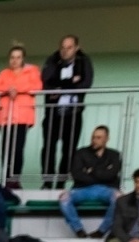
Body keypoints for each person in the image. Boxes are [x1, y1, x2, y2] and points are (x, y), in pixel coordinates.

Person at [40, 35, 94, 188]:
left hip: (73, 113)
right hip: (52, 113)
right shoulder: (52, 60)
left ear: (76, 48)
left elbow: (85, 84)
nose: (65, 51)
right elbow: (46, 83)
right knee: (49, 148)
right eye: (63, 47)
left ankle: (61, 183)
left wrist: (60, 88)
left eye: (69, 47)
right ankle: (47, 182)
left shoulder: (83, 61)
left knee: (69, 149)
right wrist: (70, 83)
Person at [0, 47, 41, 190]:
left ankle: (15, 179)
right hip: (5, 117)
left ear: (23, 58)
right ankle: (6, 180)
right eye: (12, 57)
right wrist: (8, 89)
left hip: (22, 117)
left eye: (18, 57)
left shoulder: (32, 71)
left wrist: (16, 88)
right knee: (5, 150)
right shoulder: (5, 73)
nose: (15, 60)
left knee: (17, 149)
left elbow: (37, 86)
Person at [57, 125, 121, 237]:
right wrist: (103, 172)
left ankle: (101, 231)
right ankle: (78, 229)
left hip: (106, 189)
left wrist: (91, 170)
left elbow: (111, 175)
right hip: (82, 189)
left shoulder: (114, 155)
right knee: (64, 198)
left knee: (119, 199)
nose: (94, 140)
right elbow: (77, 174)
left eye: (98, 137)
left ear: (106, 139)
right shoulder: (81, 153)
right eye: (93, 137)